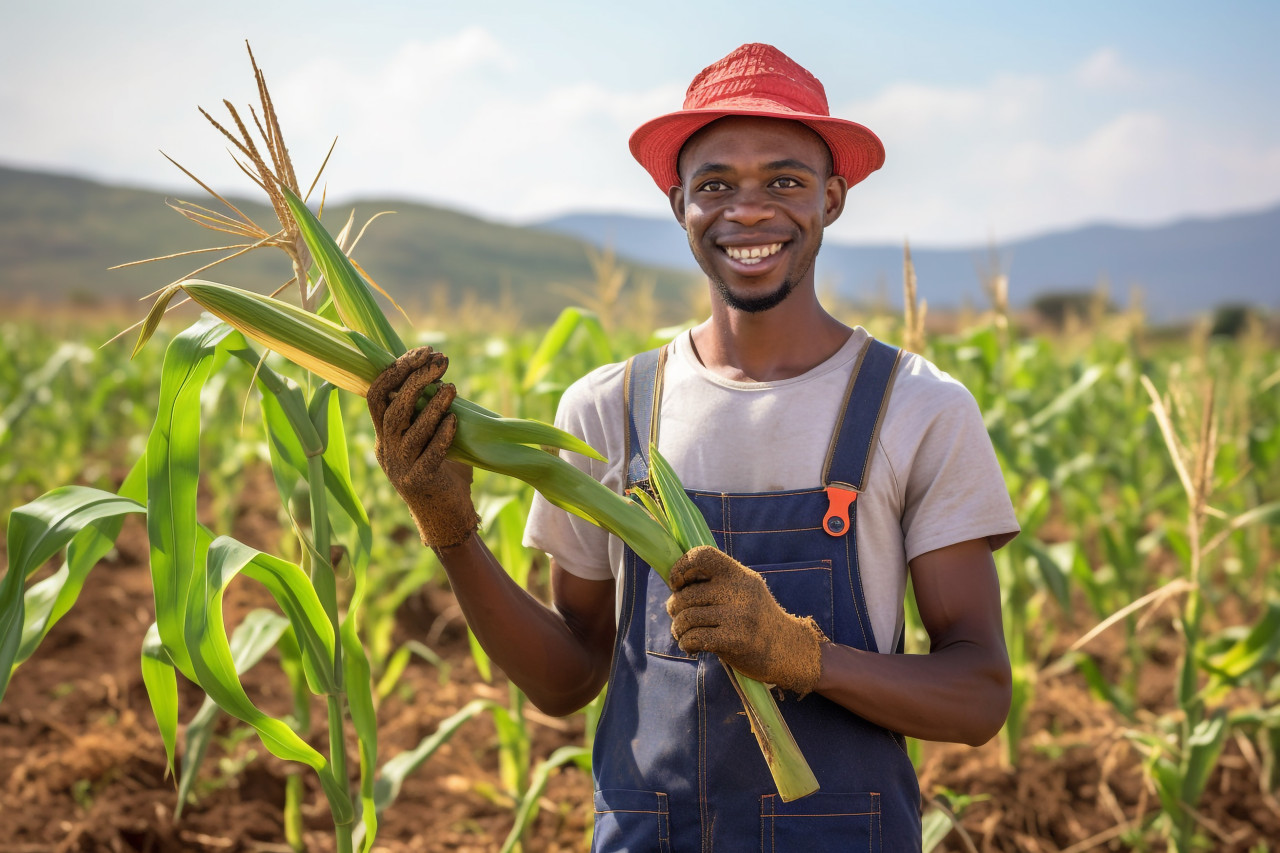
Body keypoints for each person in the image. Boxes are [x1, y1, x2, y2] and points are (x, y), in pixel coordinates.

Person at [368, 42, 1019, 852]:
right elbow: (566, 677)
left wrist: (801, 654)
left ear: (834, 198)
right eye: (715, 185)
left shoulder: (916, 408)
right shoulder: (608, 410)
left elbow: (979, 694)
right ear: (679, 205)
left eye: (785, 180)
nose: (748, 210)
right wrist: (449, 526)